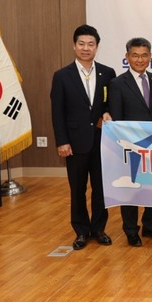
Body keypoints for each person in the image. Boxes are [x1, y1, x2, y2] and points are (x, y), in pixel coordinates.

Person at [51, 24, 116, 250]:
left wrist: (107, 112)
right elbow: (57, 112)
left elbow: (110, 103)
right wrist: (62, 141)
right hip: (74, 143)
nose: (86, 48)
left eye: (91, 44)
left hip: (101, 142)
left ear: (97, 47)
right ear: (74, 45)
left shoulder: (108, 73)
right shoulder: (62, 76)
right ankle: (81, 231)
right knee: (77, 189)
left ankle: (99, 229)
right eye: (81, 44)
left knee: (101, 188)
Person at [108, 37, 152, 247]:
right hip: (130, 146)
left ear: (150, 57)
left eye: (144, 55)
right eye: (135, 55)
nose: (140, 60)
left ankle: (150, 225)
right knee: (130, 188)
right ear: (127, 57)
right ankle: (131, 230)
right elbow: (116, 118)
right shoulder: (117, 83)